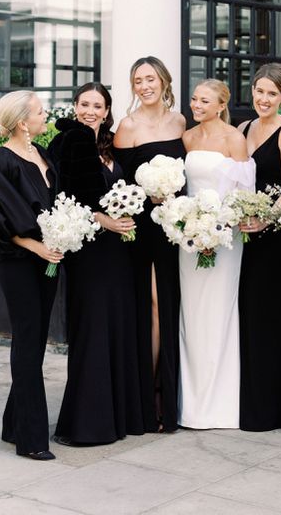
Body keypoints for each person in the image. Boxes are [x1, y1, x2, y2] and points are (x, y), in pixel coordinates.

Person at [47, 82, 144, 445]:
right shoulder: (68, 141)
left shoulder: (111, 143)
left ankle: (117, 417)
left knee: (117, 325)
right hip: (89, 252)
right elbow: (67, 195)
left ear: (107, 111)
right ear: (75, 106)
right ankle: (87, 423)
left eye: (97, 105)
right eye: (84, 104)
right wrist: (107, 221)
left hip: (118, 253)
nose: (90, 110)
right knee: (92, 329)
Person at [0, 90, 62, 460]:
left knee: (36, 341)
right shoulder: (0, 163)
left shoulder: (42, 154)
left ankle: (13, 424)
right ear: (24, 122)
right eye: (42, 112)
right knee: (27, 343)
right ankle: (31, 439)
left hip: (48, 261)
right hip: (18, 262)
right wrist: (36, 247)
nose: (48, 117)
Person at [113, 56, 186, 432]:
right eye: (138, 80)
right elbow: (119, 186)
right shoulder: (126, 127)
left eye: (150, 78)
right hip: (142, 228)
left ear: (163, 81)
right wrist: (148, 195)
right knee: (153, 306)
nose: (144, 86)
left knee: (171, 305)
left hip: (174, 228)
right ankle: (149, 396)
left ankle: (167, 393)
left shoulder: (179, 122)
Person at [178, 78, 255, 429]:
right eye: (194, 99)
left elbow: (243, 194)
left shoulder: (234, 139)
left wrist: (219, 227)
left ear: (221, 105)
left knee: (219, 311)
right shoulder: (189, 138)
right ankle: (190, 404)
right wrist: (190, 226)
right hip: (188, 237)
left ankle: (220, 406)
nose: (196, 105)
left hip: (225, 239)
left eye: (204, 101)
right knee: (191, 314)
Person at [236, 63, 281, 431]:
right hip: (242, 236)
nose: (264, 99)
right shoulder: (243, 128)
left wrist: (264, 220)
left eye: (272, 94)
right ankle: (248, 399)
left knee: (267, 313)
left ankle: (272, 406)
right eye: (260, 92)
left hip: (274, 238)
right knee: (244, 312)